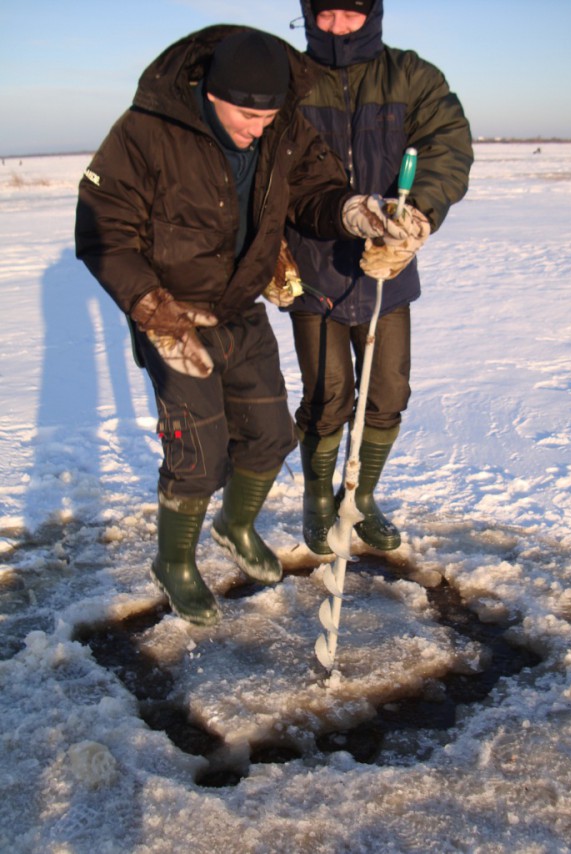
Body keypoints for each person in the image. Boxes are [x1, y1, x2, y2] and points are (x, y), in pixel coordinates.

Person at [75, 25, 413, 626]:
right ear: (209, 91)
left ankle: (235, 524)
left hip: (241, 306)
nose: (258, 128)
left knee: (269, 434)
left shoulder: (282, 129)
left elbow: (315, 189)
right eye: (244, 114)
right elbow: (102, 230)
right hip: (171, 313)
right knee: (198, 456)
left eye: (269, 115)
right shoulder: (147, 132)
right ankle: (174, 564)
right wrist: (156, 314)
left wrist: (354, 211)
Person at [285, 0, 474, 555]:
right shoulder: (289, 83)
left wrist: (416, 219)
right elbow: (266, 167)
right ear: (307, 14)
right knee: (329, 395)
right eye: (325, 16)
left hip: (387, 269)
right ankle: (320, 501)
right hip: (313, 267)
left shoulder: (411, 76)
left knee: (388, 390)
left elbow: (448, 146)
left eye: (349, 14)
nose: (338, 28)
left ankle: (360, 497)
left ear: (372, 13)